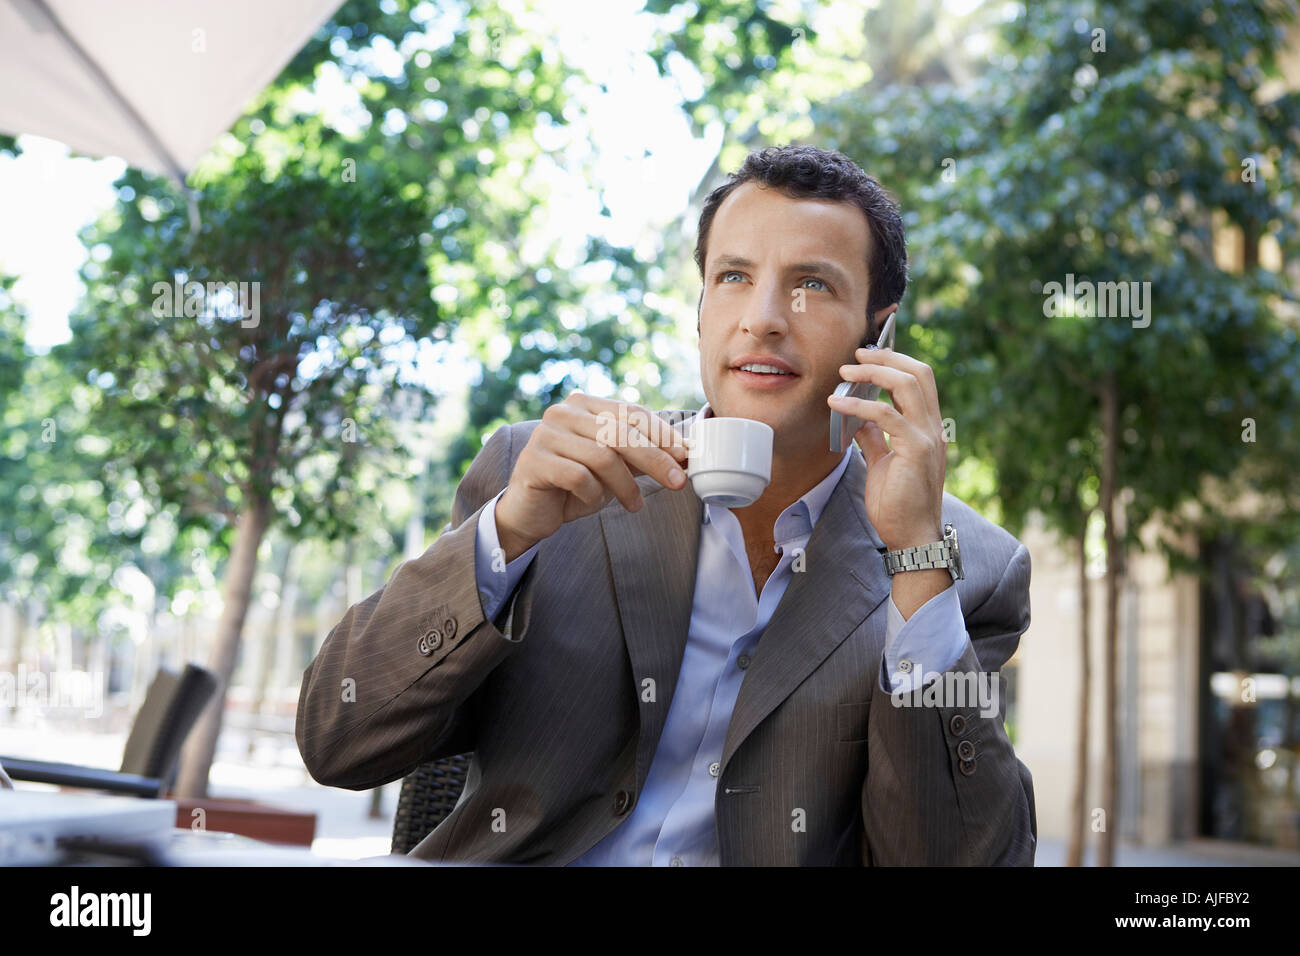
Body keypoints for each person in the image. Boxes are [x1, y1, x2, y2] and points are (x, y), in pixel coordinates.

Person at [296, 144, 1036, 865]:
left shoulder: (966, 568)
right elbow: (337, 739)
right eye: (735, 277)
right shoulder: (546, 474)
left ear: (879, 331)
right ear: (702, 309)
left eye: (811, 284)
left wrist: (914, 554)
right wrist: (510, 532)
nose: (764, 318)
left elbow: (962, 853)